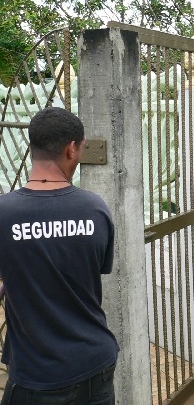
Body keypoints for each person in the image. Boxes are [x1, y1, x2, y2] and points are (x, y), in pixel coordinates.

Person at [0, 107, 119, 405]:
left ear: (32, 147)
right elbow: (86, 270)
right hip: (95, 364)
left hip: (36, 372)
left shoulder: (4, 214)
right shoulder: (95, 209)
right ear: (72, 148)